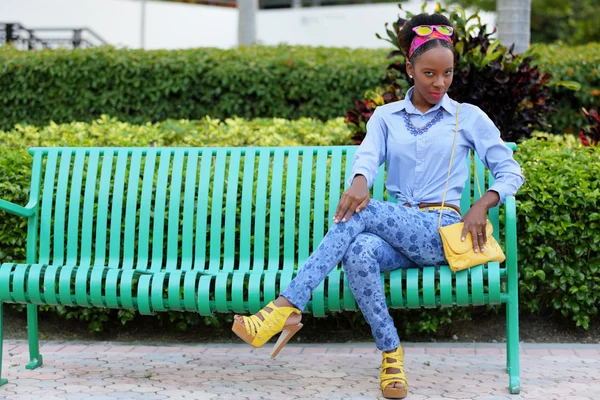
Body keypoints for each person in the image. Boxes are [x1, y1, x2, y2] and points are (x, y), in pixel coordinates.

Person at [231, 12, 524, 400]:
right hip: (400, 234)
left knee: (363, 211)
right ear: (409, 68)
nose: (439, 83)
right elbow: (366, 160)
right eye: (429, 73)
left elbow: (510, 172)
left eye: (448, 73)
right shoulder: (386, 117)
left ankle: (285, 307)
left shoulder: (467, 118)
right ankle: (391, 355)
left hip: (440, 230)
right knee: (358, 250)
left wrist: (482, 204)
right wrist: (358, 181)